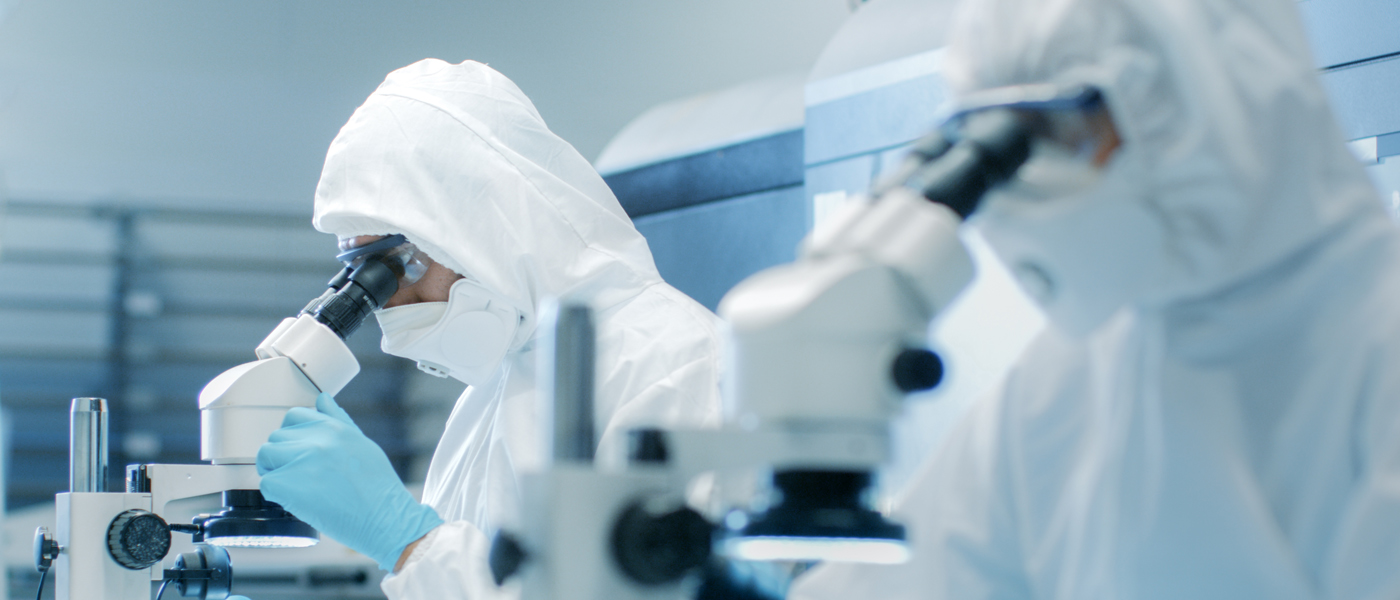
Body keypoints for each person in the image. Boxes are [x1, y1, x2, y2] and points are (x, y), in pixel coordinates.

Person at [790, 0, 1400, 597]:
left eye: (1063, 133)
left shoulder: (1375, 346)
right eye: (1012, 148)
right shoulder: (1062, 386)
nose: (1032, 193)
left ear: (1211, 96)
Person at [252, 59, 723, 598]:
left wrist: (410, 545)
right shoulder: (492, 393)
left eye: (391, 268)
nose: (389, 304)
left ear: (476, 226)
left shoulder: (678, 364)